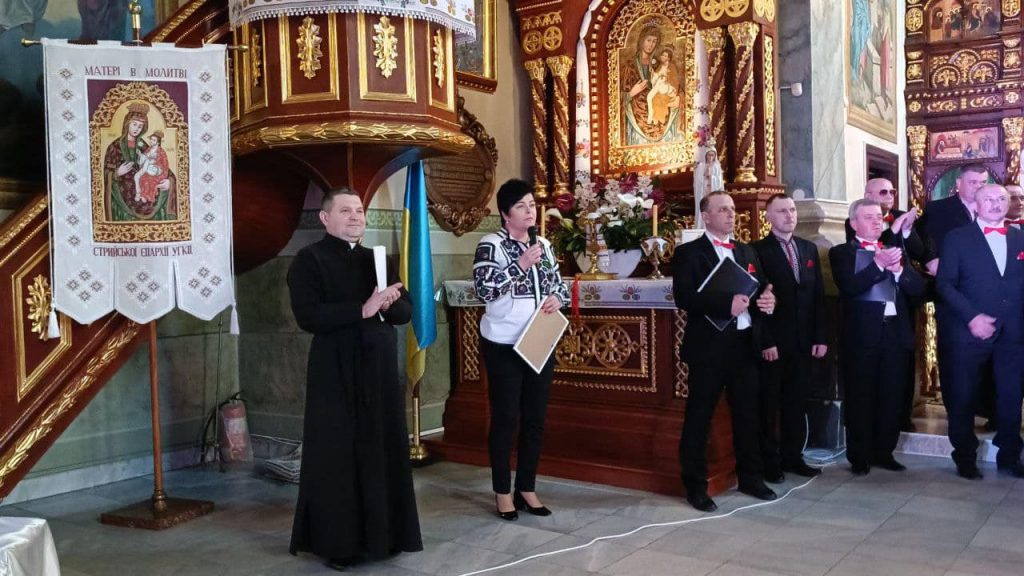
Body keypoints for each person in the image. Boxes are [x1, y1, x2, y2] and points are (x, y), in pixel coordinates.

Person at [287, 188, 422, 571]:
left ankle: (386, 537)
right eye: (346, 211)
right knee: (338, 453)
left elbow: (405, 312)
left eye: (359, 211)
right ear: (325, 218)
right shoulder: (309, 260)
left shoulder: (377, 258)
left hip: (378, 369)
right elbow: (308, 316)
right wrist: (361, 309)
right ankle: (339, 544)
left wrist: (391, 305)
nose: (355, 217)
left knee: (381, 447)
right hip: (335, 369)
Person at [672, 191, 777, 512]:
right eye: (723, 210)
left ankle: (751, 477)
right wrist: (723, 304)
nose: (731, 214)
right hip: (709, 347)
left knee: (748, 414)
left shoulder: (746, 250)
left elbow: (760, 287)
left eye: (732, 209)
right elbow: (684, 296)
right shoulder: (689, 253)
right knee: (699, 416)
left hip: (745, 344)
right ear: (706, 216)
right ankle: (695, 486)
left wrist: (768, 300)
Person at [473, 179, 569, 521]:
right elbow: (484, 289)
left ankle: (526, 487)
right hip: (504, 343)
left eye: (531, 205)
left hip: (540, 338)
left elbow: (559, 284)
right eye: (521, 206)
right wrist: (521, 265)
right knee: (506, 417)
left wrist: (559, 298)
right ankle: (503, 491)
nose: (529, 211)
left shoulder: (544, 244)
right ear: (505, 214)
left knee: (535, 418)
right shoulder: (491, 245)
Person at [830, 199, 926, 476]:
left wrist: (899, 272)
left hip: (895, 334)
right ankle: (859, 456)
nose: (876, 222)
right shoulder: (841, 253)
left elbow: (919, 291)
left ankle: (885, 452)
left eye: (879, 217)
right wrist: (878, 266)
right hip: (862, 336)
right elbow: (849, 287)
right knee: (861, 396)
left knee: (892, 396)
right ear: (853, 223)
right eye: (869, 217)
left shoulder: (896, 250)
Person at [935, 184, 1024, 480]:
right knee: (963, 396)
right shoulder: (957, 238)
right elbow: (944, 284)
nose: (996, 204)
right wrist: (972, 317)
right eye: (989, 199)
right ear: (976, 204)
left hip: (1013, 333)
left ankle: (1009, 455)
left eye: (1002, 199)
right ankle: (965, 456)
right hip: (968, 331)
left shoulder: (1020, 237)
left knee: (1011, 397)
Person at [753, 194, 827, 481]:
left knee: (797, 402)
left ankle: (793, 457)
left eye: (792, 210)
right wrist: (766, 341)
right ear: (769, 217)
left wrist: (820, 336)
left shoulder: (808, 248)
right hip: (775, 341)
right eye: (782, 211)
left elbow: (817, 296)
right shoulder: (758, 250)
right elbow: (758, 299)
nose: (790, 215)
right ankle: (770, 462)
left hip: (804, 339)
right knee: (770, 403)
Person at [103, 102, 175, 221]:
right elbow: (105, 174)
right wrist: (116, 173)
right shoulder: (114, 147)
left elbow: (161, 165)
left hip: (145, 189)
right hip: (124, 195)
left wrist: (169, 182)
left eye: (140, 126)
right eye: (134, 124)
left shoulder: (144, 146)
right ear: (127, 124)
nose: (137, 129)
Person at [844, 178, 926, 266]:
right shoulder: (856, 220)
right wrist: (893, 230)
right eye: (883, 192)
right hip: (874, 270)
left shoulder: (902, 216)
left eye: (892, 192)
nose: (890, 196)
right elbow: (861, 253)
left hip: (903, 272)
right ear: (868, 196)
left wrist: (906, 231)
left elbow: (920, 255)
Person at [645, 46, 679, 125]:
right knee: (649, 97)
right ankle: (651, 115)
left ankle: (655, 118)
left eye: (665, 56)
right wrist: (652, 73)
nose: (662, 57)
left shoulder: (672, 67)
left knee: (654, 98)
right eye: (662, 55)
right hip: (659, 86)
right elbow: (655, 79)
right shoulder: (660, 66)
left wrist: (666, 79)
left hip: (668, 88)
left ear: (668, 58)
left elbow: (675, 80)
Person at [134, 131, 169, 204]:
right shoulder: (149, 149)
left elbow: (165, 165)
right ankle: (140, 194)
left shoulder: (161, 152)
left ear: (158, 142)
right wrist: (140, 155)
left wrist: (163, 174)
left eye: (154, 140)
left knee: (148, 179)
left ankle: (145, 195)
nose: (151, 141)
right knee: (142, 177)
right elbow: (142, 160)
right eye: (151, 139)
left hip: (157, 171)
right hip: (147, 169)